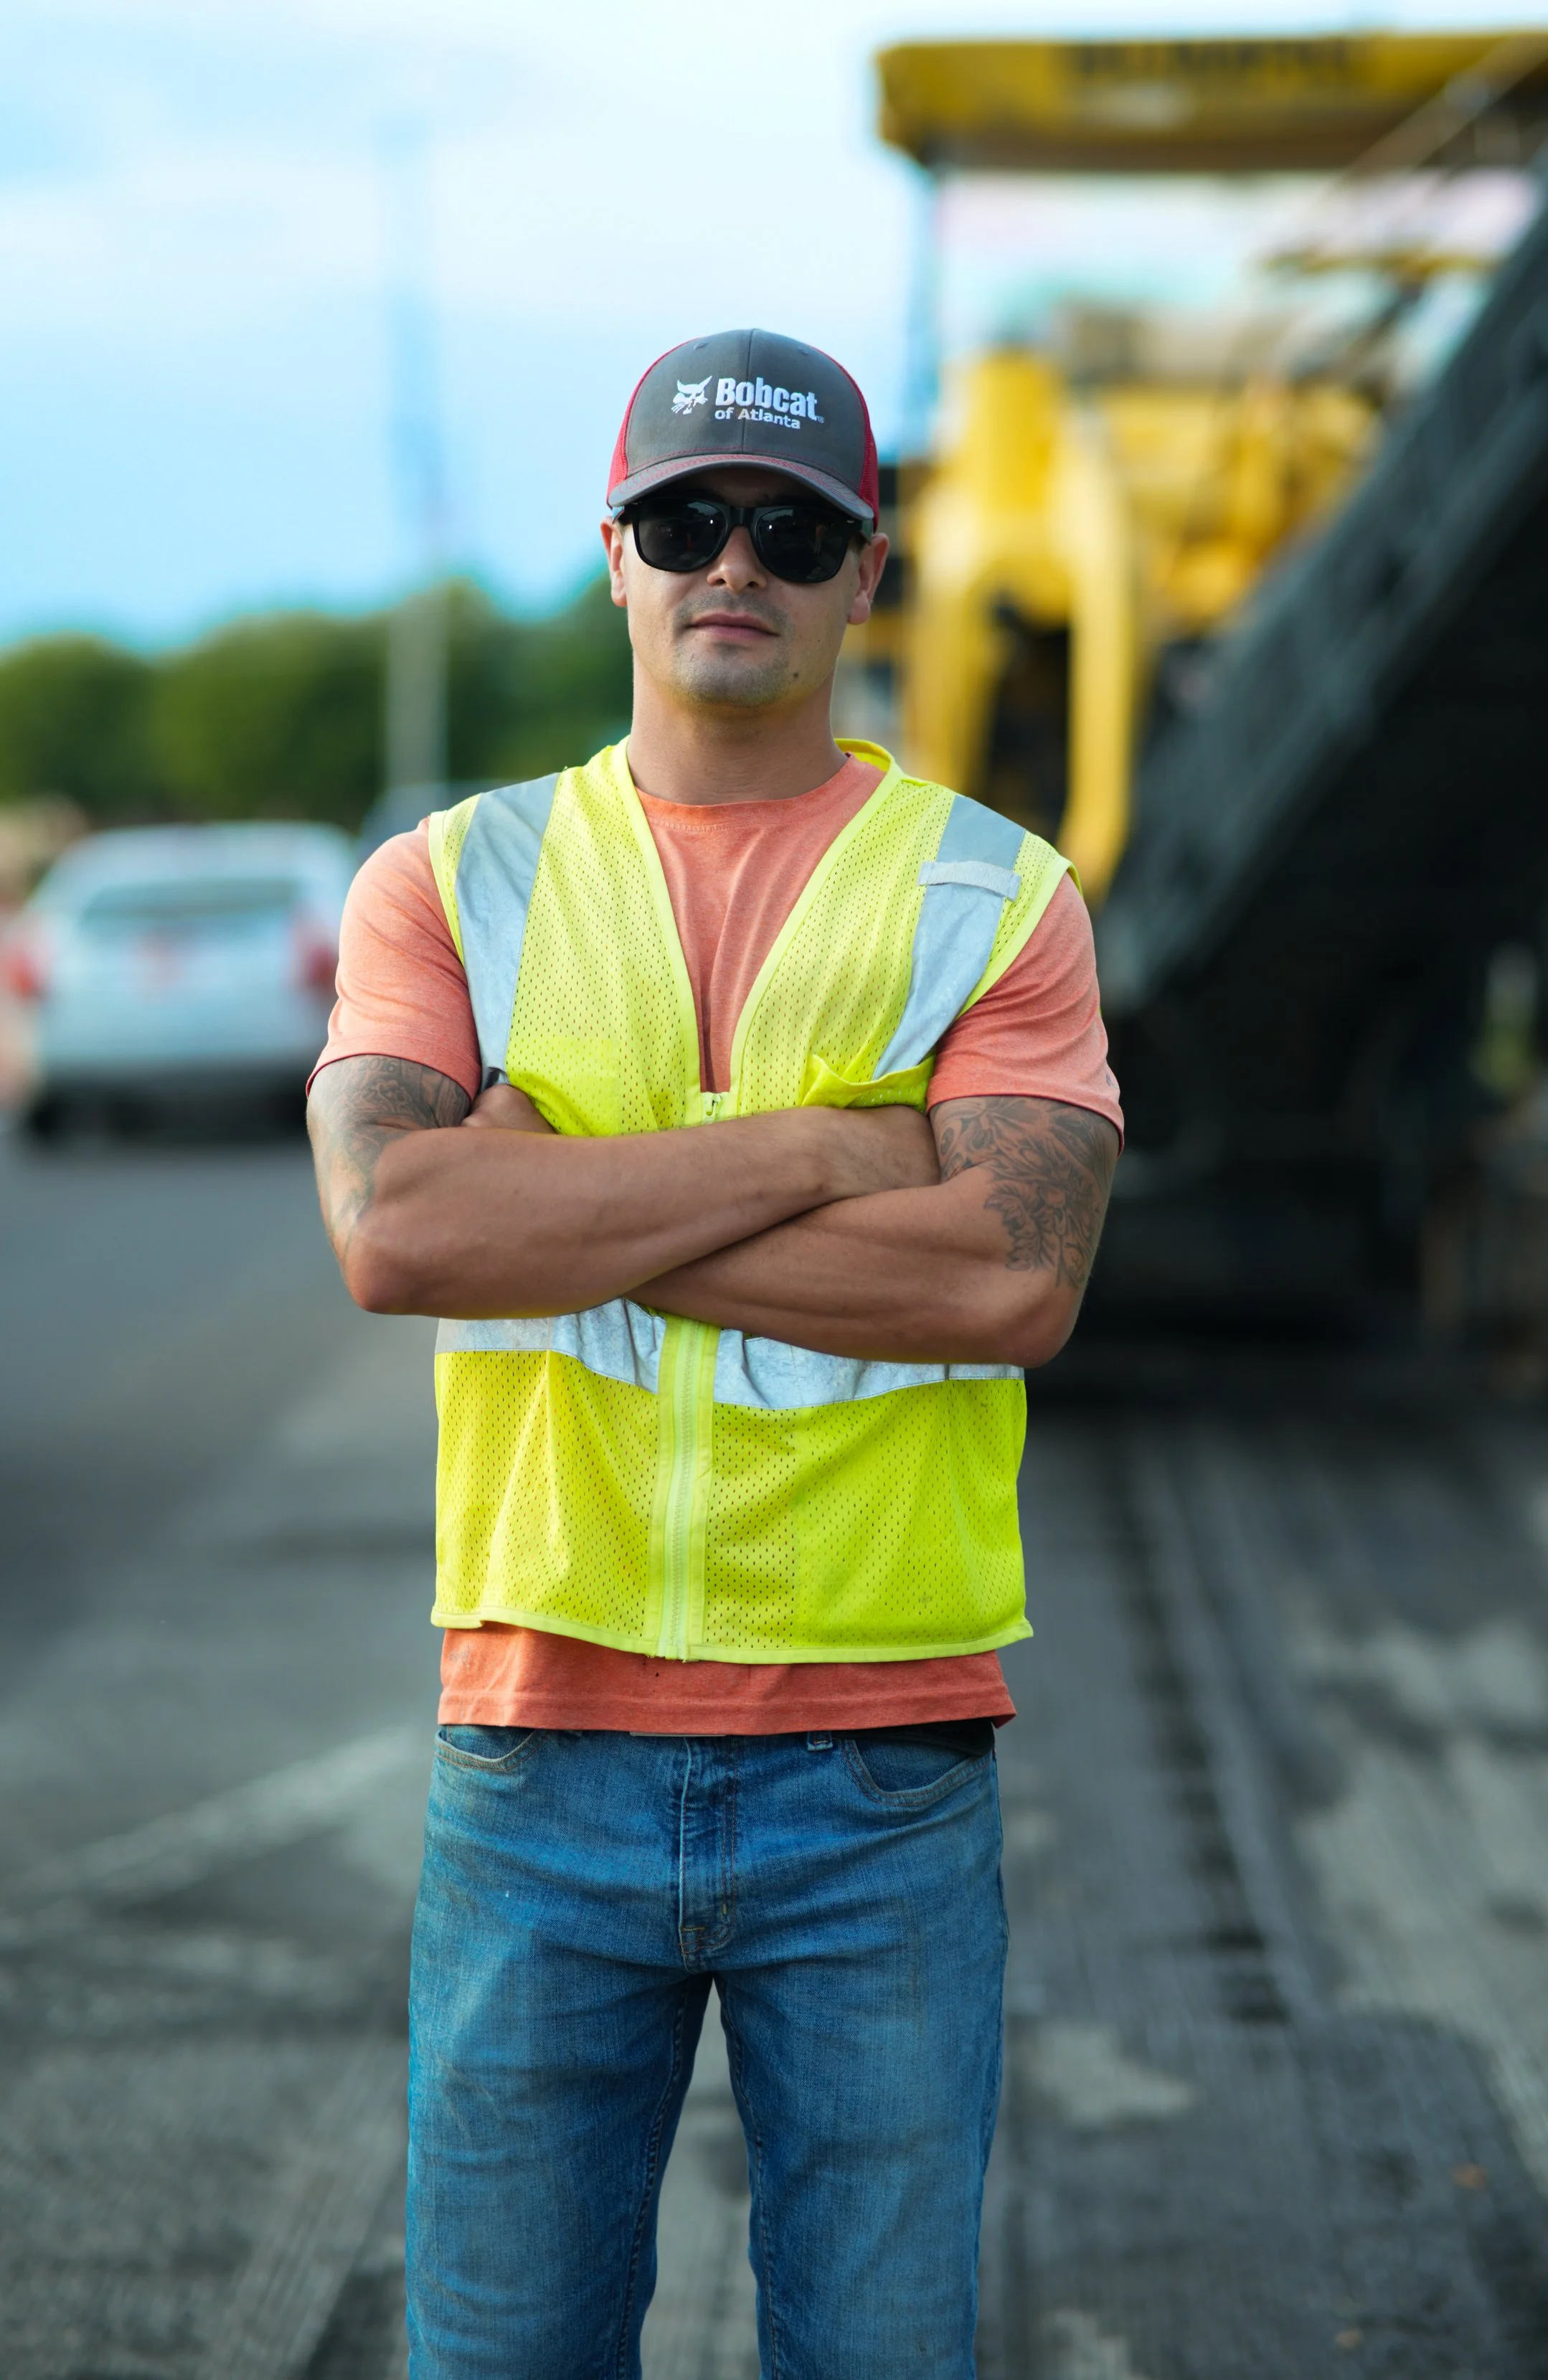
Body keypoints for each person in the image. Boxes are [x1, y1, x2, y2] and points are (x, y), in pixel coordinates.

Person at [307, 326, 1122, 2379]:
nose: (729, 560)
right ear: (614, 554)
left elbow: (1008, 1288)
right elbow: (399, 1231)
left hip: (876, 1765)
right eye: (684, 517)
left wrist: (566, 1202)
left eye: (788, 524)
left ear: (867, 571)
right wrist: (821, 1156)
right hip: (536, 1735)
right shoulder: (452, 879)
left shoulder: (994, 896)